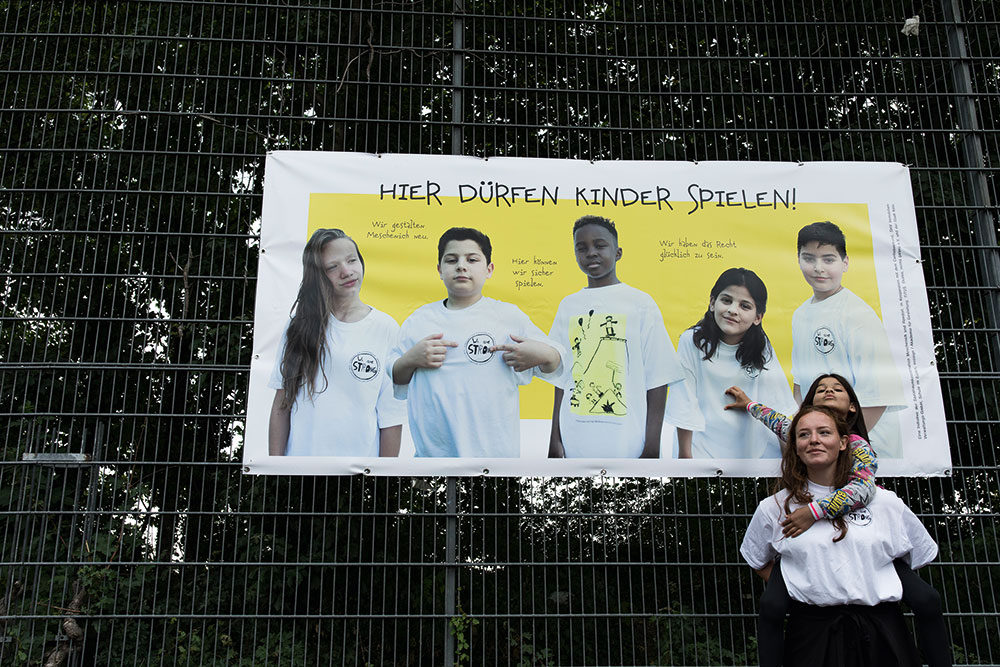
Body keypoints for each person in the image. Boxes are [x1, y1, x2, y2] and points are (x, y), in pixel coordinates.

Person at [727, 374, 952, 667]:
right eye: (820, 389)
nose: (828, 392)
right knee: (771, 606)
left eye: (837, 389)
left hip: (875, 603)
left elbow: (861, 489)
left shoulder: (862, 453)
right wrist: (750, 405)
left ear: (848, 423)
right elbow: (777, 421)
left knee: (927, 599)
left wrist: (814, 512)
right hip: (813, 633)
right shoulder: (775, 504)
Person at [388, 227, 565, 457]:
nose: (461, 266)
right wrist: (411, 359)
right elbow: (396, 375)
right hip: (432, 462)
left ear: (489, 269)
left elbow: (557, 362)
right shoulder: (419, 320)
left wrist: (544, 354)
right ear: (440, 270)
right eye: (452, 260)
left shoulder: (508, 317)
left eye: (472, 259)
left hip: (495, 464)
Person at [547, 215, 685, 458]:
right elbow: (561, 378)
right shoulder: (568, 306)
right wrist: (554, 439)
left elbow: (658, 379)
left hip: (628, 442)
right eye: (582, 248)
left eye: (599, 245)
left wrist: (652, 445)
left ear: (618, 252)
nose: (590, 253)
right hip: (575, 440)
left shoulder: (641, 304)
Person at [268, 228, 405, 457]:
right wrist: (275, 467)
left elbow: (391, 416)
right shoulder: (299, 326)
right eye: (333, 267)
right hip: (300, 471)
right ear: (317, 275)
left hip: (360, 475)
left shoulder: (386, 327)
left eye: (352, 260)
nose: (346, 271)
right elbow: (282, 404)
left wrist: (383, 480)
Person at [791, 221, 906, 456]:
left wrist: (845, 446)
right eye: (809, 258)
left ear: (845, 263)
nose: (818, 268)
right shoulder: (800, 314)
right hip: (823, 449)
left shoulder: (858, 315)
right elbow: (800, 387)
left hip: (865, 448)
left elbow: (878, 397)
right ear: (798, 260)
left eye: (828, 259)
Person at [663, 267, 795, 458]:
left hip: (753, 454)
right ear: (712, 303)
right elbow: (684, 401)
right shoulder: (691, 341)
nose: (733, 310)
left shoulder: (761, 345)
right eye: (726, 300)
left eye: (745, 306)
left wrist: (789, 465)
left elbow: (779, 405)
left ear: (758, 317)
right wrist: (685, 458)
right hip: (701, 451)